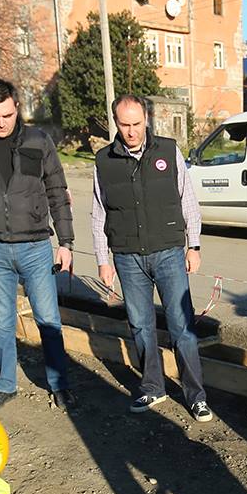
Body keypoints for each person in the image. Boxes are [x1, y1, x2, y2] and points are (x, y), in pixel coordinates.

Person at [0, 78, 77, 412]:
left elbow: (57, 191)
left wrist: (66, 242)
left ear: (17, 107)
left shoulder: (38, 140)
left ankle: (59, 384)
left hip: (36, 247)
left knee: (48, 319)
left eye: (7, 114)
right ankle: (5, 385)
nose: (2, 122)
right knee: (2, 323)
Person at [90, 94, 213, 422]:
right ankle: (153, 386)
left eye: (136, 124)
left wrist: (194, 245)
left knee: (182, 326)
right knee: (141, 325)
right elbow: (99, 212)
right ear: (115, 123)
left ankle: (195, 395)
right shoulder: (104, 160)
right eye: (123, 124)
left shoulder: (168, 151)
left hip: (169, 253)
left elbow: (188, 201)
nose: (131, 131)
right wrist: (103, 259)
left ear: (146, 119)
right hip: (128, 258)